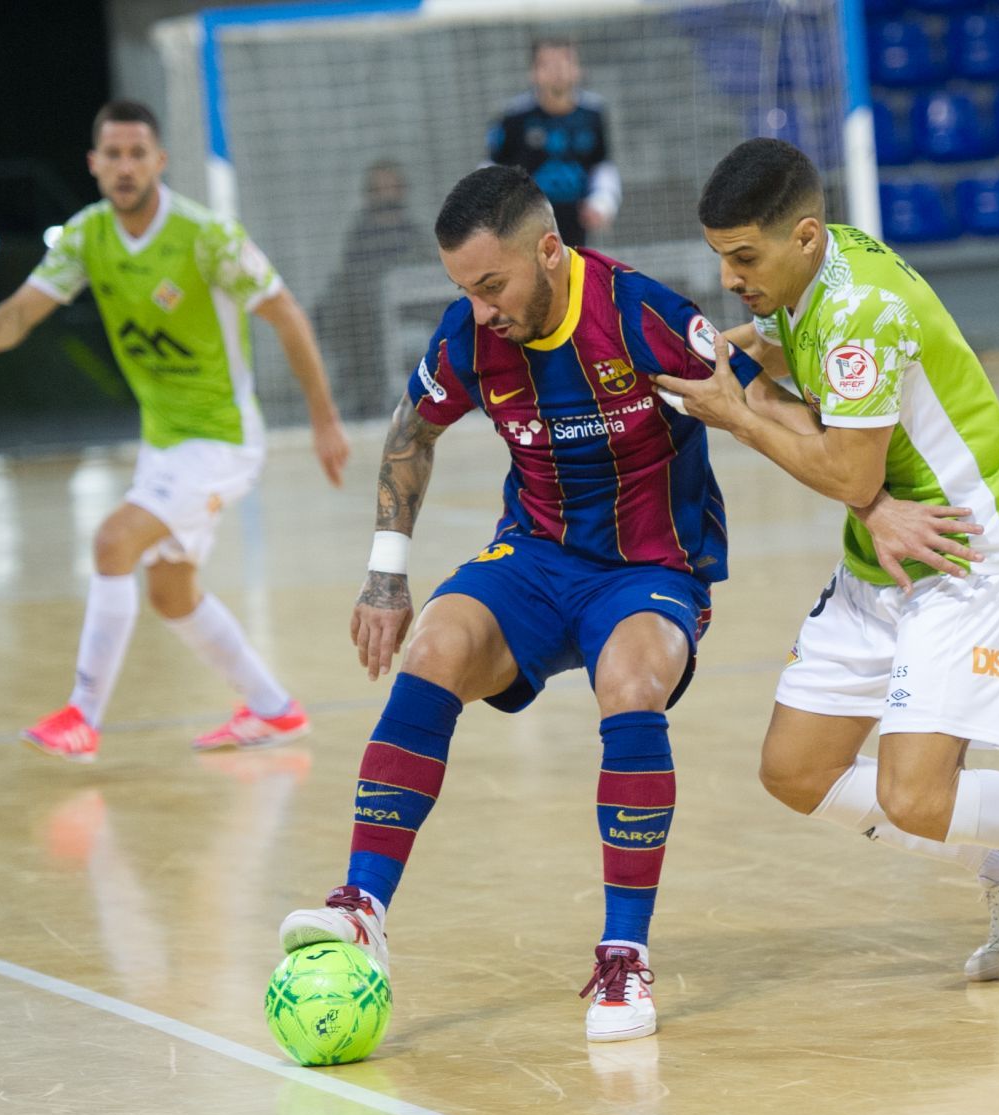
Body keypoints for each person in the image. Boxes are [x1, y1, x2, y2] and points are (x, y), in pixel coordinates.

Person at [659, 138, 999, 984]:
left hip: (961, 551)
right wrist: (679, 368)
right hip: (885, 551)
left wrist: (734, 416)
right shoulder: (815, 275)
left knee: (915, 794)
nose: (731, 277)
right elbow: (772, 357)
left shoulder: (860, 310)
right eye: (721, 259)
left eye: (743, 257)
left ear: (805, 235)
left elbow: (849, 471)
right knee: (796, 770)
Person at [277, 165, 767, 1043]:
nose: (479, 309)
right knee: (433, 646)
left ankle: (625, 955)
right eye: (463, 290)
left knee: (627, 681)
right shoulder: (472, 334)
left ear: (550, 250)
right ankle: (361, 908)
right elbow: (411, 428)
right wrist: (387, 573)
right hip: (534, 557)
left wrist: (875, 500)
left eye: (492, 285)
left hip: (648, 565)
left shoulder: (638, 313)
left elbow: (753, 388)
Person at [0, 99, 350, 764]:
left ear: (160, 162)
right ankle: (275, 710)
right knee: (172, 594)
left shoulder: (206, 236)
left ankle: (83, 715)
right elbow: (27, 309)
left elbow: (287, 315)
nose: (126, 166)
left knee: (113, 541)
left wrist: (323, 418)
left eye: (139, 154)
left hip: (221, 439)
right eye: (114, 155)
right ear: (94, 164)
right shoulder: (86, 236)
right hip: (165, 444)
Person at [314, 160, 437, 420]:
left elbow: (429, 285)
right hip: (365, 326)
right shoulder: (359, 239)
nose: (386, 195)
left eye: (392, 188)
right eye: (379, 189)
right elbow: (348, 282)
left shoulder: (415, 236)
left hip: (410, 324)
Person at [487, 38, 620, 248]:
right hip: (527, 223)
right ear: (533, 72)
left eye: (565, 62)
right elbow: (491, 168)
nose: (558, 71)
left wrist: (602, 202)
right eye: (547, 64)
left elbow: (602, 165)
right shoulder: (514, 117)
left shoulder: (592, 113)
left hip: (577, 221)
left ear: (578, 69)